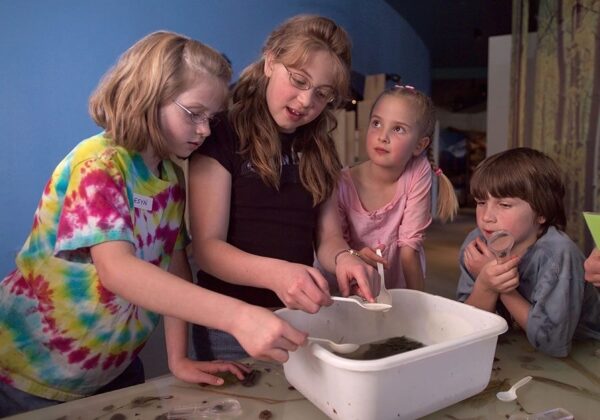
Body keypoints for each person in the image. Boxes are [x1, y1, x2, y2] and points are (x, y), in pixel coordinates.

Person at [0, 31, 307, 417]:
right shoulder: (99, 164)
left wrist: (178, 359)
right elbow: (118, 270)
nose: (206, 130)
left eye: (211, 118)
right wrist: (239, 316)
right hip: (33, 372)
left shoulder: (170, 179)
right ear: (147, 96)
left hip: (114, 371)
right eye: (193, 114)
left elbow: (175, 266)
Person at [188, 15, 379, 361]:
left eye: (322, 94)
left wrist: (344, 259)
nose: (306, 101)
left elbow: (327, 238)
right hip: (228, 322)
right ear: (271, 61)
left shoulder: (319, 147)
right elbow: (207, 249)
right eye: (299, 80)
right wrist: (276, 273)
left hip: (297, 315)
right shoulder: (221, 133)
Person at [456, 147, 600, 357]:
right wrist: (485, 286)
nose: (487, 216)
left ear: (541, 213)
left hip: (585, 350)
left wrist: (502, 287)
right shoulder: (477, 244)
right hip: (519, 344)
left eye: (504, 204)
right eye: (481, 202)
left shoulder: (558, 254)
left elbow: (553, 343)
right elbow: (466, 326)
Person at [322, 85, 458, 291]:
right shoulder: (339, 183)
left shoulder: (418, 171)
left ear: (419, 146)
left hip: (396, 284)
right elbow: (337, 244)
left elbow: (409, 250)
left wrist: (418, 309)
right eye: (376, 123)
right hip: (346, 280)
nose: (382, 136)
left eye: (398, 129)